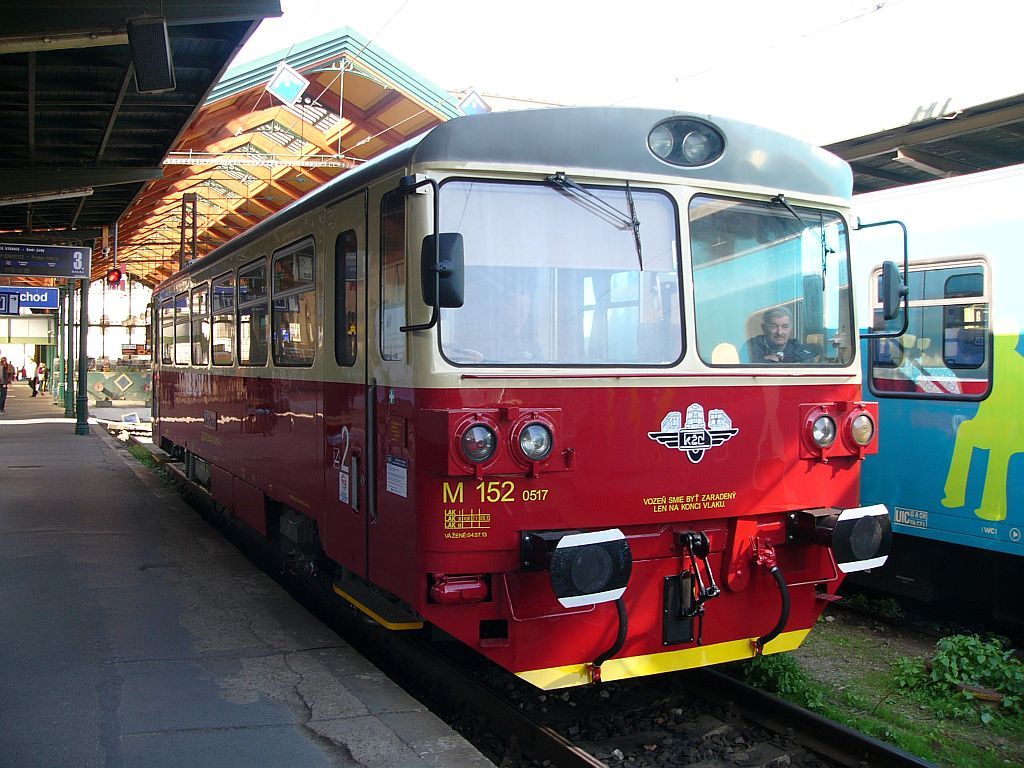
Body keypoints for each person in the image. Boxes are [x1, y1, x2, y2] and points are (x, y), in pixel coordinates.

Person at [745, 306, 819, 364]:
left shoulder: (793, 344)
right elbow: (752, 364)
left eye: (785, 327)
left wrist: (781, 357)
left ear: (791, 329)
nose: (779, 332)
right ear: (764, 328)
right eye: (773, 327)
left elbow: (812, 354)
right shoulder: (752, 345)